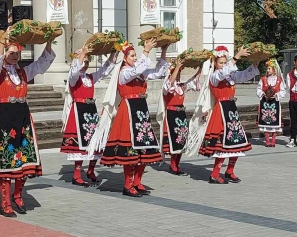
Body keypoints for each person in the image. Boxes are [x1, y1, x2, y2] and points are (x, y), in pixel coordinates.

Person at [0, 36, 55, 217]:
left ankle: (18, 195)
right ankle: (5, 202)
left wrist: (48, 42)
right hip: (6, 117)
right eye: (10, 52)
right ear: (4, 53)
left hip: (22, 116)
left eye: (17, 52)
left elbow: (41, 65)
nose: (14, 55)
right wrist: (0, 42)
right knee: (7, 159)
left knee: (24, 158)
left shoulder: (23, 72)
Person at [88, 39, 170, 197]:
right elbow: (136, 71)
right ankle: (127, 185)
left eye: (135, 55)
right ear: (125, 58)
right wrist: (146, 51)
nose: (134, 58)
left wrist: (164, 51)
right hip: (129, 110)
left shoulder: (138, 72)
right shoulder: (124, 72)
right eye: (132, 55)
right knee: (130, 150)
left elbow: (158, 72)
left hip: (141, 111)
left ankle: (137, 182)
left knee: (145, 149)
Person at [194, 45, 257, 184]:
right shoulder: (214, 76)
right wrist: (236, 57)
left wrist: (255, 62)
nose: (223, 65)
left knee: (236, 142)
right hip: (221, 111)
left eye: (224, 62)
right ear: (215, 64)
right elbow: (223, 73)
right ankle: (215, 174)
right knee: (222, 145)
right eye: (220, 63)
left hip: (231, 111)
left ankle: (230, 171)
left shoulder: (230, 76)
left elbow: (244, 75)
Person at [60, 48, 116, 187]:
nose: (84, 64)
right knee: (80, 144)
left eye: (86, 62)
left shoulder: (90, 78)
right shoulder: (74, 78)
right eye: (83, 61)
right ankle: (77, 174)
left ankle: (91, 170)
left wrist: (113, 53)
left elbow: (104, 71)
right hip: (78, 111)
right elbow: (73, 72)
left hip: (90, 111)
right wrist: (81, 55)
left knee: (94, 142)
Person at [158, 57, 202, 175]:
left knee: (182, 139)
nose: (178, 75)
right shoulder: (167, 86)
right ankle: (173, 165)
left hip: (181, 114)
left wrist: (200, 67)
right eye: (176, 73)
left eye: (179, 73)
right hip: (171, 115)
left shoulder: (181, 86)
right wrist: (176, 67)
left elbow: (193, 80)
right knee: (175, 140)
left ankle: (177, 164)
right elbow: (170, 83)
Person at [256, 59, 286, 147]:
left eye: (269, 68)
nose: (268, 70)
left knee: (274, 121)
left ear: (274, 69)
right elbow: (258, 89)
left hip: (274, 103)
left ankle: (273, 140)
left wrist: (276, 95)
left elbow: (283, 91)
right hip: (265, 103)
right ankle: (267, 140)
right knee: (265, 121)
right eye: (267, 69)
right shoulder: (263, 79)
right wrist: (263, 94)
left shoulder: (279, 80)